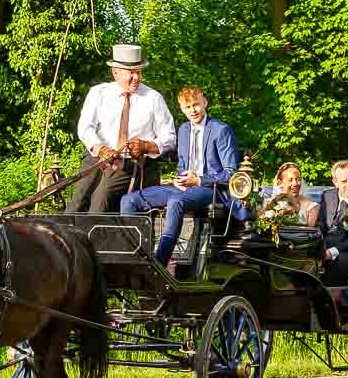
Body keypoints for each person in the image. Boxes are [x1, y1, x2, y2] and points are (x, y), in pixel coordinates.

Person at [120, 86, 240, 264]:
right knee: (129, 200)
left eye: (196, 105)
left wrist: (199, 179)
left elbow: (231, 173)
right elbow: (183, 166)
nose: (193, 110)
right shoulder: (183, 130)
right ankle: (137, 258)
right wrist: (179, 179)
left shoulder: (220, 130)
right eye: (187, 107)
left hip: (210, 189)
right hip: (184, 187)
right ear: (182, 109)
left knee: (176, 202)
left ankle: (159, 264)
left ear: (205, 103)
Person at [66, 44, 176, 214]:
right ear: (115, 72)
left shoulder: (154, 98)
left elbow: (169, 137)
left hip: (134, 164)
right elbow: (85, 127)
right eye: (130, 73)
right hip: (97, 159)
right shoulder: (98, 93)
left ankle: (97, 236)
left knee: (100, 202)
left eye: (138, 72)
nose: (136, 78)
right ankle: (68, 238)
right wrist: (100, 148)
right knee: (76, 205)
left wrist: (147, 146)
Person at [270, 161, 320, 227]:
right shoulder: (272, 203)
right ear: (280, 182)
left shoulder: (312, 207)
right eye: (290, 180)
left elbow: (309, 231)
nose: (295, 183)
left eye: (298, 179)